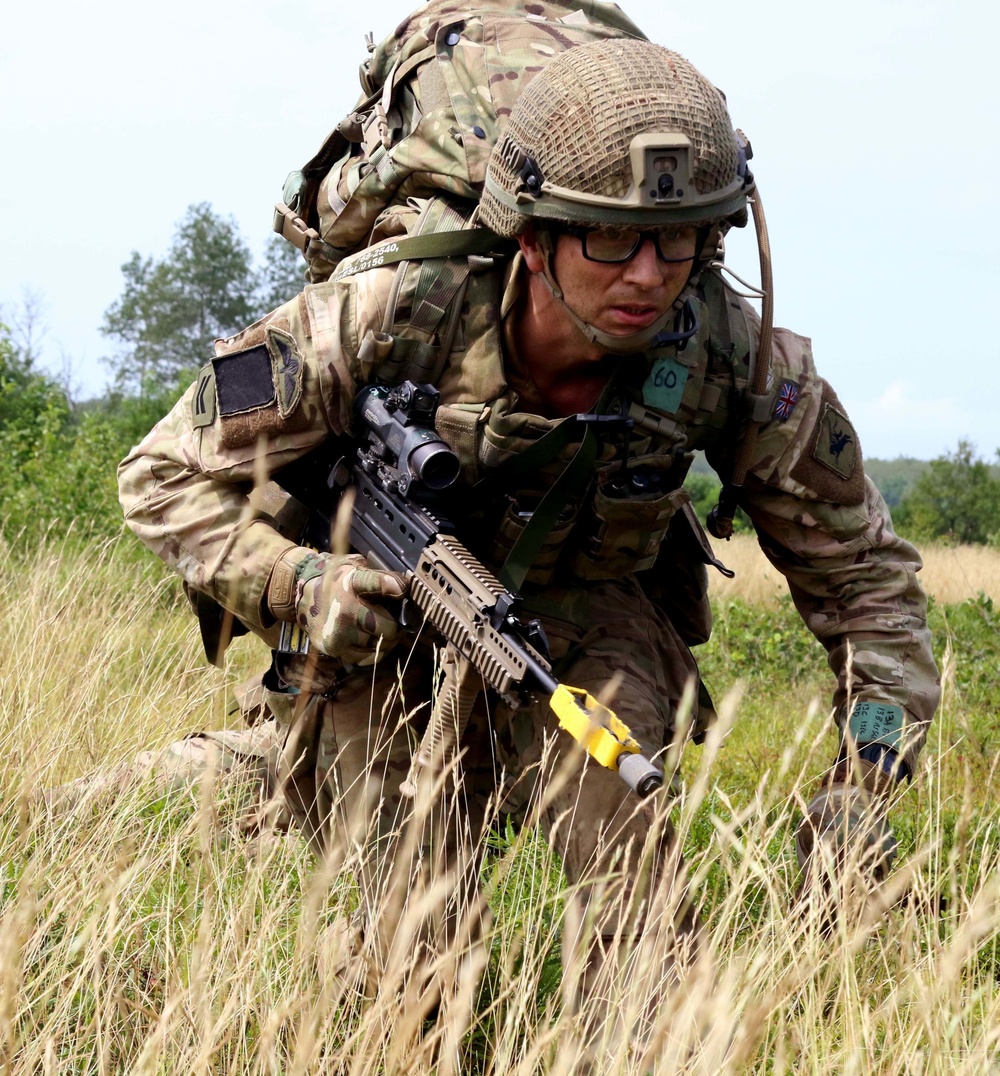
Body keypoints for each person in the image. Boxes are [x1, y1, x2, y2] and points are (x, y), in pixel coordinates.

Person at [114, 35, 938, 1048]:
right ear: (531, 236)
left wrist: (864, 779)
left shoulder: (732, 355)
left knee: (645, 926)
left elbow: (868, 583)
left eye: (675, 243)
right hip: (384, 635)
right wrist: (295, 576)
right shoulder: (380, 312)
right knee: (412, 956)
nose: (646, 276)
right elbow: (159, 476)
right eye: (607, 241)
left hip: (589, 625)